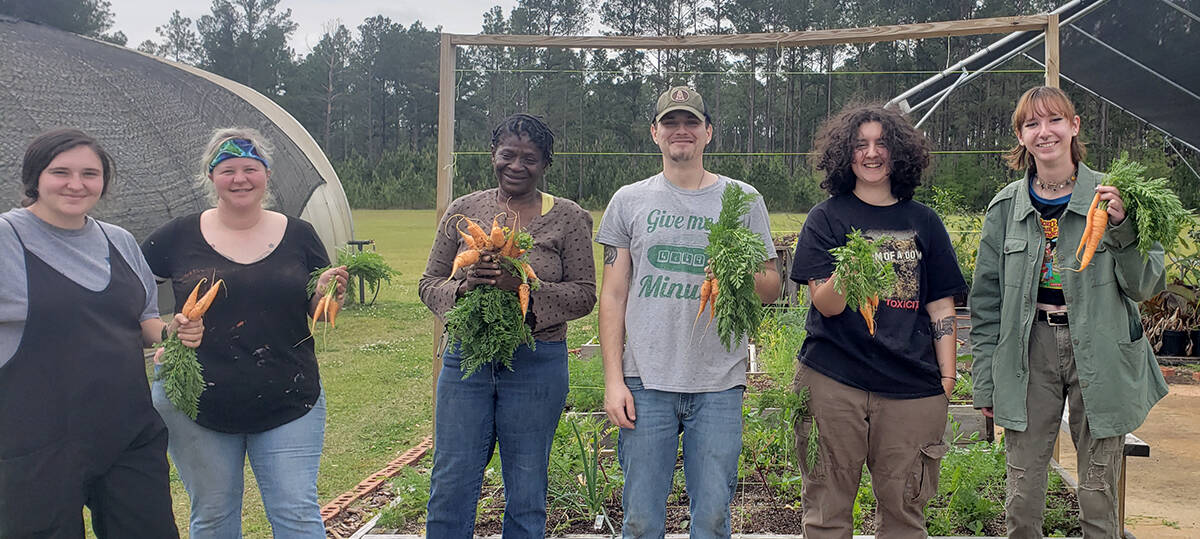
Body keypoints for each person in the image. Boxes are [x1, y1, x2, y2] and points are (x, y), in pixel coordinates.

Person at [970, 86, 1167, 539]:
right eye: (1032, 124)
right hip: (1027, 353)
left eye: (1054, 120)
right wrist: (985, 379)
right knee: (1021, 493)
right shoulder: (1004, 209)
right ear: (1020, 136)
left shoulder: (1115, 200)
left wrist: (1120, 228)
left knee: (1098, 491)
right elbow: (984, 303)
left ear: (1074, 126)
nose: (1045, 132)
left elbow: (1143, 286)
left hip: (1099, 348)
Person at [141, 127, 348, 538]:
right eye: (228, 169)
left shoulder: (299, 235)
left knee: (296, 514)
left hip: (289, 397)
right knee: (214, 517)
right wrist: (165, 331)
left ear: (266, 174)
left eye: (250, 168)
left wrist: (328, 295)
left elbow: (321, 314)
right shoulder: (178, 235)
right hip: (195, 400)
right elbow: (129, 294)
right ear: (211, 177)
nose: (240, 179)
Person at [596, 86, 781, 538]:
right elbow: (614, 295)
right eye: (672, 123)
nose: (682, 131)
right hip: (645, 382)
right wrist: (614, 380)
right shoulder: (629, 200)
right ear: (655, 133)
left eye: (692, 123)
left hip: (718, 381)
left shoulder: (743, 198)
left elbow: (772, 287)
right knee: (640, 520)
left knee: (714, 518)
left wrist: (735, 271)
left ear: (708, 133)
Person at [0, 128, 203, 537]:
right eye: (61, 172)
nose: (76, 184)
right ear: (35, 177)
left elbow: (145, 320)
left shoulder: (120, 241)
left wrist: (174, 333)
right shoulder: (7, 239)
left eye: (89, 174)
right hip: (34, 442)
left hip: (127, 433)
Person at [789, 104, 965, 538]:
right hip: (835, 380)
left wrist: (946, 380)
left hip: (911, 389)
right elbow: (827, 305)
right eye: (860, 144)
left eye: (882, 143)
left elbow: (941, 307)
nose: (871, 153)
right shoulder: (826, 218)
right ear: (844, 155)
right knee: (827, 511)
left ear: (899, 153)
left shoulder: (923, 221)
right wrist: (850, 268)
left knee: (905, 513)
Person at [418, 113, 597, 538]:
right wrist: (462, 290)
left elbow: (585, 293)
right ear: (493, 155)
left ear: (545, 164)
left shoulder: (569, 218)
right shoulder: (463, 211)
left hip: (537, 360)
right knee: (451, 480)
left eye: (530, 158)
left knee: (527, 486)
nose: (517, 165)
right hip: (467, 361)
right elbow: (428, 284)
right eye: (508, 155)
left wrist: (524, 289)